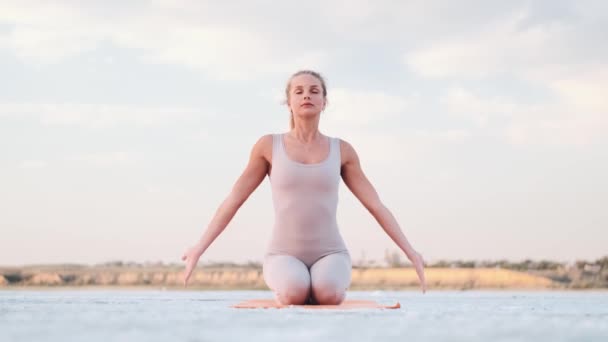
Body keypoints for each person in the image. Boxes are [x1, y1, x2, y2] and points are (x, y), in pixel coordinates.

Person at [182, 70, 427, 305]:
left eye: (314, 91)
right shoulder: (269, 146)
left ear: (324, 101)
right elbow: (234, 199)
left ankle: (319, 288)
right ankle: (299, 287)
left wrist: (411, 252)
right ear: (289, 101)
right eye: (298, 91)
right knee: (293, 293)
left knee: (329, 294)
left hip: (331, 253)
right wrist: (198, 248)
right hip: (283, 254)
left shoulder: (342, 150)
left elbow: (375, 205)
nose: (306, 95)